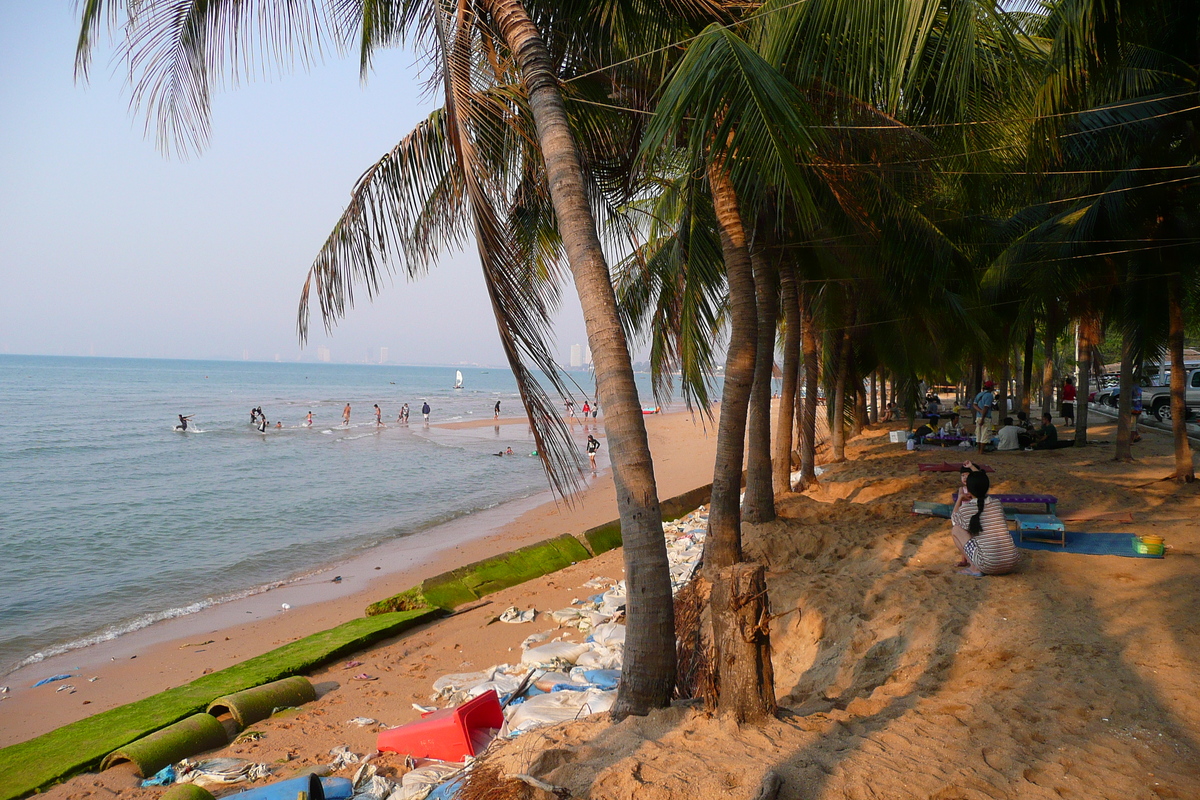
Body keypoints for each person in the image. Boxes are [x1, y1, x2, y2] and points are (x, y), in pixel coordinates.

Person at [949, 465, 1020, 577]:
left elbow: (954, 520)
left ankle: (974, 568)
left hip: (988, 565)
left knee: (956, 530)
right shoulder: (996, 504)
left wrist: (960, 499)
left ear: (969, 489)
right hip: (1012, 561)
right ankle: (977, 565)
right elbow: (982, 480)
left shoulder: (967, 509)